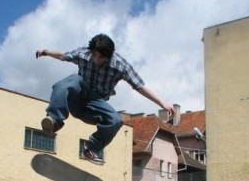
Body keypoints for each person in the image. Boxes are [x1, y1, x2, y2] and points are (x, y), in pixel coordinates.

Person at [36, 34, 175, 164]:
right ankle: (54, 120)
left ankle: (91, 148)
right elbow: (63, 56)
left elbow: (139, 86)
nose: (96, 60)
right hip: (77, 98)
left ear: (109, 56)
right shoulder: (84, 53)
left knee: (116, 120)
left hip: (94, 106)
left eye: (101, 57)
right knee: (73, 80)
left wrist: (162, 103)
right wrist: (45, 52)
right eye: (95, 55)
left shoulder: (120, 65)